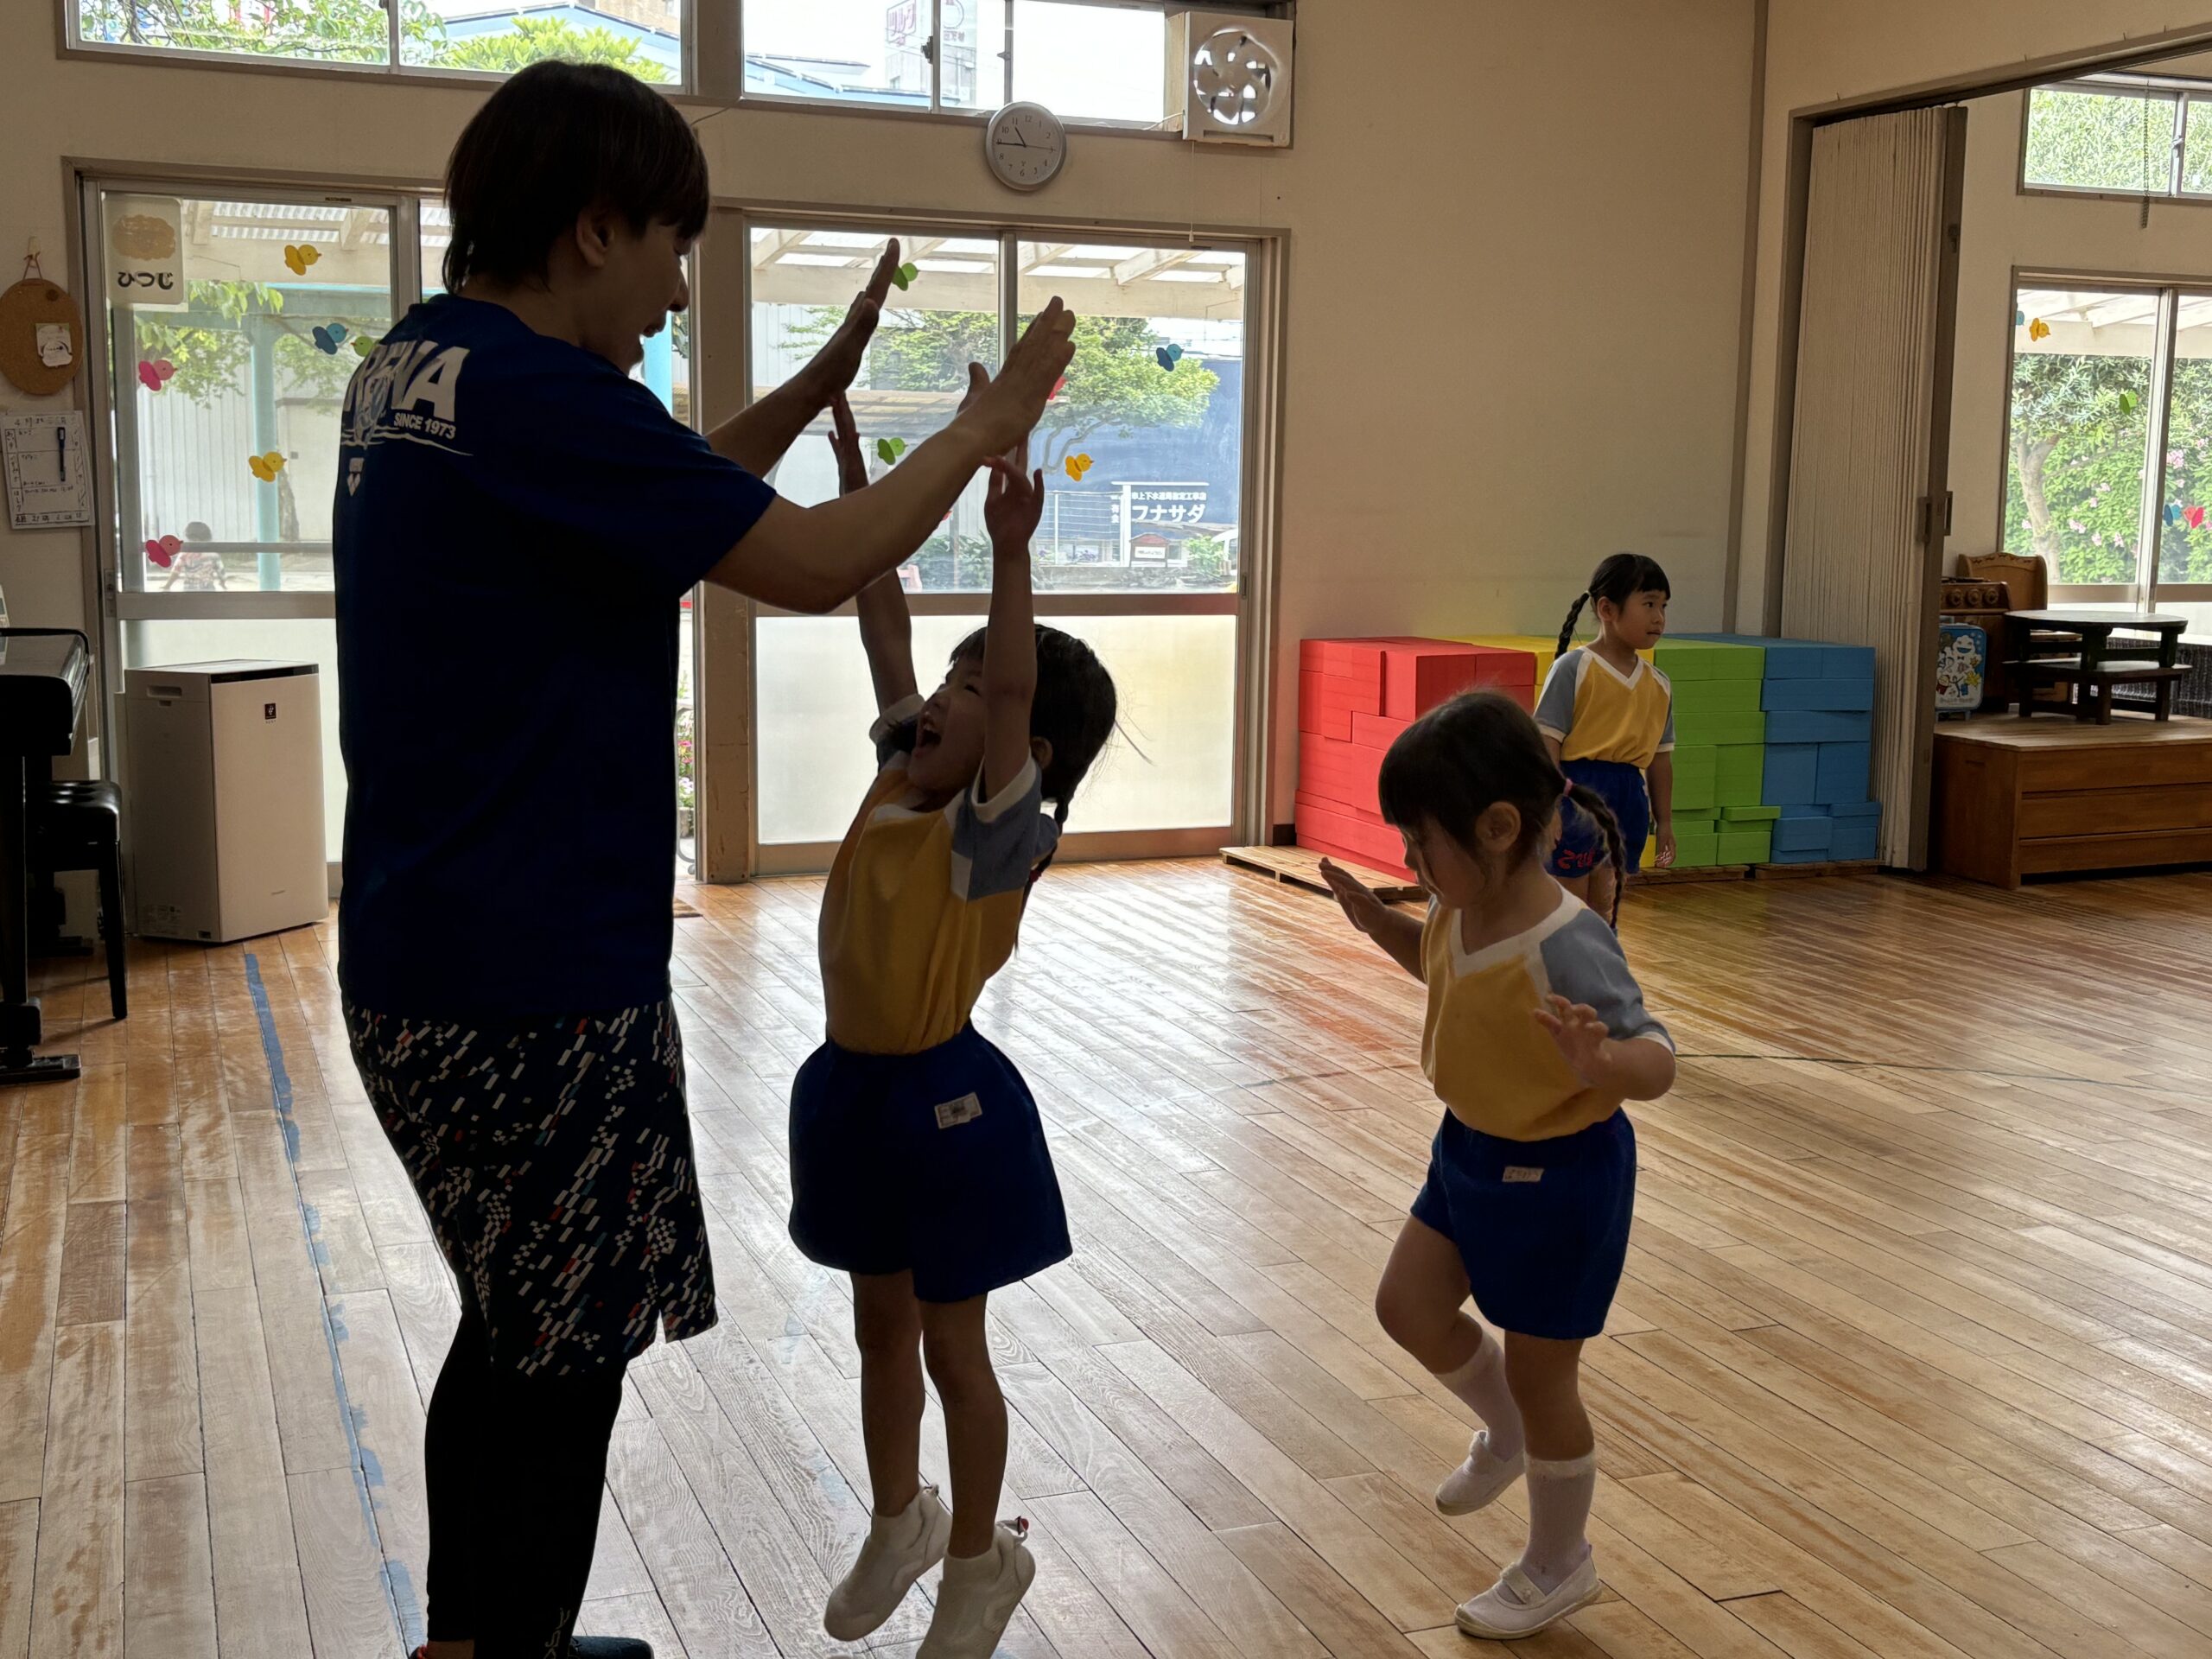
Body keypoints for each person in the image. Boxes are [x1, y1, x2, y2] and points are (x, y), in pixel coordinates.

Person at [333, 62, 1076, 1659]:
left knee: (509, 1321)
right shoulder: (544, 396)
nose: (676, 292)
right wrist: (984, 426)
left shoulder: (421, 370)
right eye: (673, 248)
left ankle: (470, 1641)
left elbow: (663, 499)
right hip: (536, 980)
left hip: (417, 962)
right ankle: (512, 1648)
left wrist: (818, 385)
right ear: (594, 228)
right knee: (562, 1360)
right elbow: (808, 559)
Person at [787, 385, 1116, 1658]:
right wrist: (865, 493)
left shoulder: (994, 835)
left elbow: (1019, 686)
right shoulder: (900, 770)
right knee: (877, 1325)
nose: (942, 696)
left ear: (1024, 747)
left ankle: (980, 1560)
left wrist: (1012, 553)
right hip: (850, 1093)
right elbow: (883, 623)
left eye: (971, 689)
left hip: (945, 1108)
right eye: (950, 678)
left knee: (950, 1349)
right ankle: (901, 1519)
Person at [1317, 692, 1675, 1641]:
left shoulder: (1569, 940)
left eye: (1419, 840)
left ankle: (1561, 1562)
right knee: (1407, 1307)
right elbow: (1445, 967)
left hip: (1562, 1177)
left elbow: (1659, 1058)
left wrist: (1604, 1061)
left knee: (1545, 1377)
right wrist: (1378, 925)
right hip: (1469, 1149)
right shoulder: (1456, 905)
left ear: (1500, 827)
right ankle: (1506, 1431)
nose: (1408, 861)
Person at [1537, 553, 1675, 923]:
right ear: (1607, 609)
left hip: (1629, 796)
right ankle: (1559, 959)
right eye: (1649, 604)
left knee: (1605, 905)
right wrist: (1550, 807)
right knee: (1568, 906)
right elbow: (1546, 743)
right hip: (1577, 793)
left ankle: (1599, 957)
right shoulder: (1573, 668)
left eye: (1663, 606)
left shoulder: (1659, 684)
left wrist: (1665, 822)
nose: (1659, 617)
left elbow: (1661, 759)